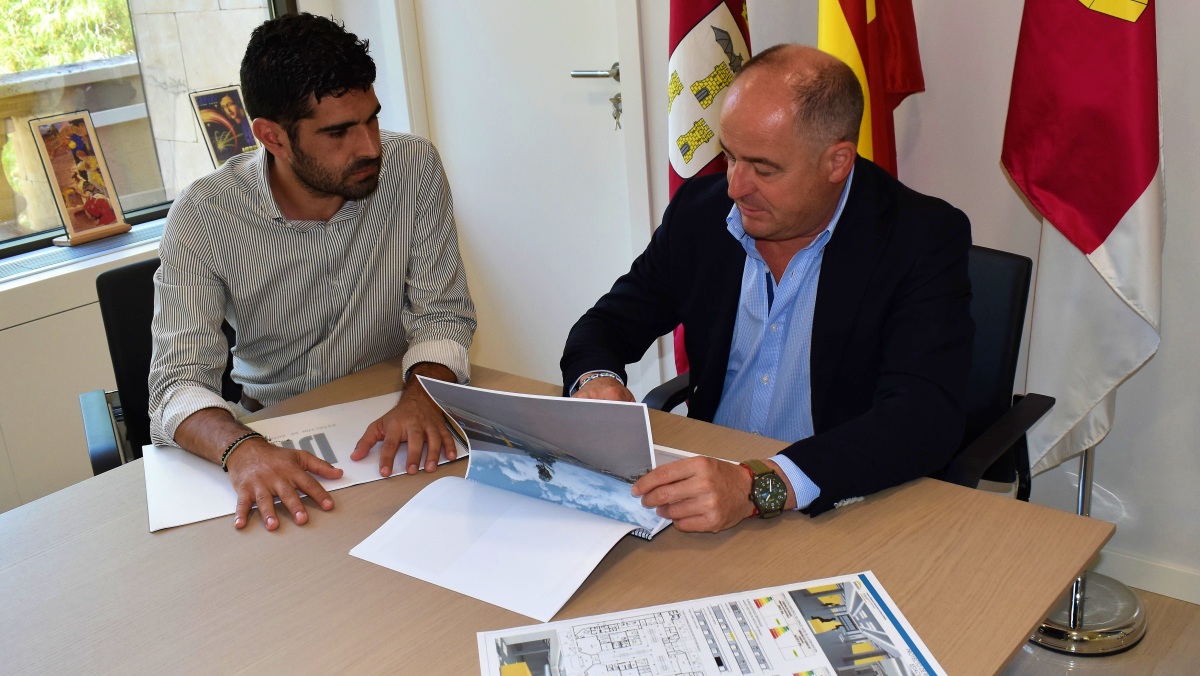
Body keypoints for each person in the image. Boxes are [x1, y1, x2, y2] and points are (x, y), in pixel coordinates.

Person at [561, 44, 973, 533]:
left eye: (763, 168)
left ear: (837, 161)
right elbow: (604, 326)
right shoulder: (701, 214)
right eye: (730, 156)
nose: (736, 186)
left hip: (843, 501)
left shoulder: (918, 237)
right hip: (711, 490)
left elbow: (922, 416)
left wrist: (759, 485)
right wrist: (596, 383)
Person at [148, 13, 476, 532]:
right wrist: (244, 449)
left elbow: (444, 316)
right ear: (271, 137)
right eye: (339, 132)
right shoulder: (204, 214)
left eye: (371, 118)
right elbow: (175, 383)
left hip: (395, 411)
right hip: (276, 432)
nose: (370, 147)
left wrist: (421, 397)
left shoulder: (413, 166)